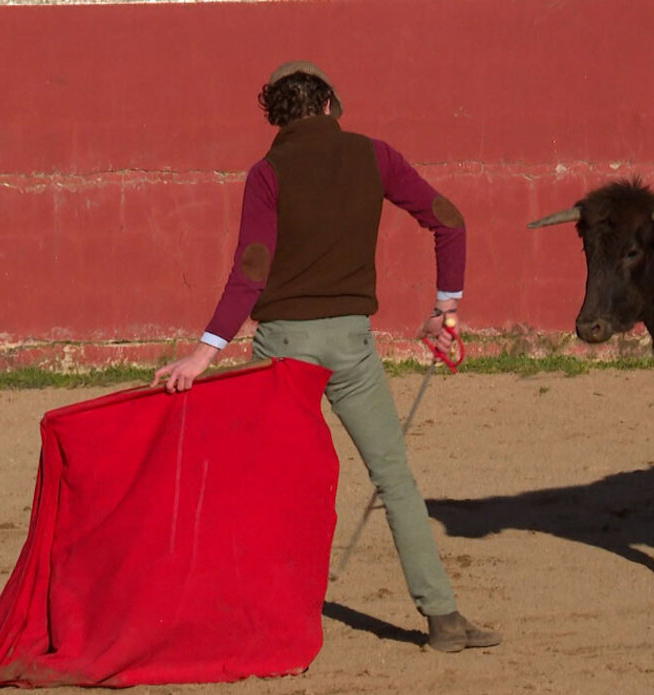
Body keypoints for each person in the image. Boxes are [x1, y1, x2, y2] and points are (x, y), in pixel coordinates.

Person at [152, 61, 500, 653]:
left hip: (283, 350)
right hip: (352, 346)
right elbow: (450, 221)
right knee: (394, 479)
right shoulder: (374, 155)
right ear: (332, 105)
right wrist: (446, 311)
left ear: (276, 118)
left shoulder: (268, 173)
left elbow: (253, 267)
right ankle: (442, 618)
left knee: (263, 484)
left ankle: (243, 613)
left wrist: (204, 354)